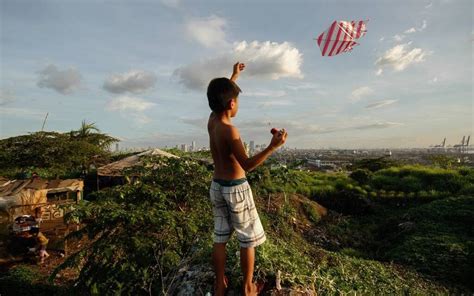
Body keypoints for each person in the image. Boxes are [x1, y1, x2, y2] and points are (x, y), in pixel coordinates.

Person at [207, 62, 288, 295]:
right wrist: (272, 147)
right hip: (236, 189)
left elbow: (223, 93)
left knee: (220, 236)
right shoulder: (230, 131)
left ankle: (219, 284)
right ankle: (247, 287)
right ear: (232, 103)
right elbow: (247, 165)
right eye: (236, 100)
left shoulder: (212, 120)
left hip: (217, 186)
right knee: (248, 238)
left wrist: (235, 75)